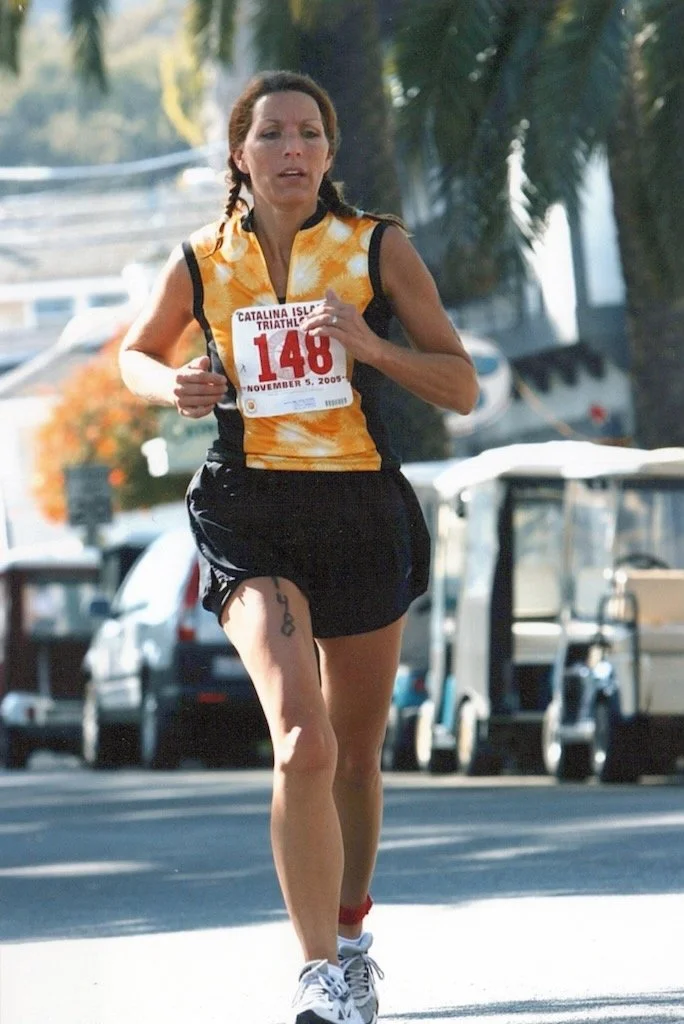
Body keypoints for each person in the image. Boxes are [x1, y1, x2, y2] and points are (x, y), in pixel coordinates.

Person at [119, 70, 478, 1024]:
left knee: (357, 755)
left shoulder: (375, 249)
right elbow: (134, 353)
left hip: (362, 508)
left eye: (308, 134)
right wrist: (174, 388)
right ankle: (317, 972)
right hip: (250, 510)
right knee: (302, 742)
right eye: (271, 133)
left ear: (329, 154)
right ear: (238, 153)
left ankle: (353, 936)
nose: (291, 149)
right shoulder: (202, 258)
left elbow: (461, 386)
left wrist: (372, 346)